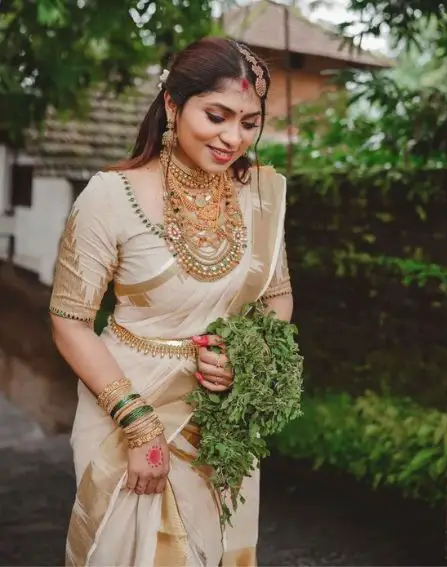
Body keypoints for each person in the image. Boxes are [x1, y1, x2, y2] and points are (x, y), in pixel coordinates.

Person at [49, 36, 293, 567]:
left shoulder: (261, 194)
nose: (233, 137)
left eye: (249, 123)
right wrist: (137, 423)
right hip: (128, 399)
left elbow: (277, 297)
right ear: (172, 105)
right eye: (217, 115)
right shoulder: (110, 196)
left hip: (221, 415)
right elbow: (69, 320)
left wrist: (242, 355)